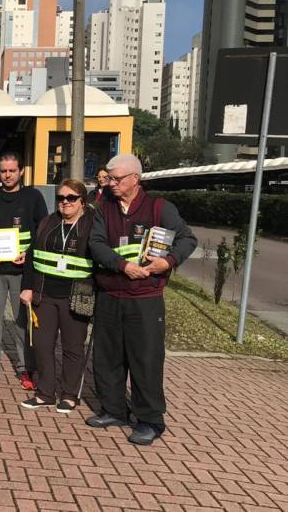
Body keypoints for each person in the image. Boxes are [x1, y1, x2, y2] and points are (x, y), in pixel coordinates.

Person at [86, 153, 197, 445]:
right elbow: (95, 243)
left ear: (135, 179)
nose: (110, 183)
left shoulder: (160, 208)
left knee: (145, 359)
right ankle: (113, 410)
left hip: (145, 298)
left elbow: (187, 239)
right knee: (107, 357)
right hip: (110, 293)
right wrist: (122, 266)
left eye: (116, 178)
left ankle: (150, 420)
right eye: (108, 178)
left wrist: (168, 261)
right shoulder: (104, 207)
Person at [0, 151, 48, 388]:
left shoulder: (33, 197)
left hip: (24, 270)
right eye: (3, 171)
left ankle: (26, 368)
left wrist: (29, 254)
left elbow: (42, 231)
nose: (7, 175)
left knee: (23, 320)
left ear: (21, 171)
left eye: (12, 171)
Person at [19, 179, 94, 413]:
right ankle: (45, 393)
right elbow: (31, 257)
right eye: (61, 198)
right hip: (45, 293)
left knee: (73, 347)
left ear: (82, 201)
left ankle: (70, 395)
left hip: (79, 294)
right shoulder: (48, 222)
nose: (65, 202)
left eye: (71, 198)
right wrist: (27, 287)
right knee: (42, 345)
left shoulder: (93, 225)